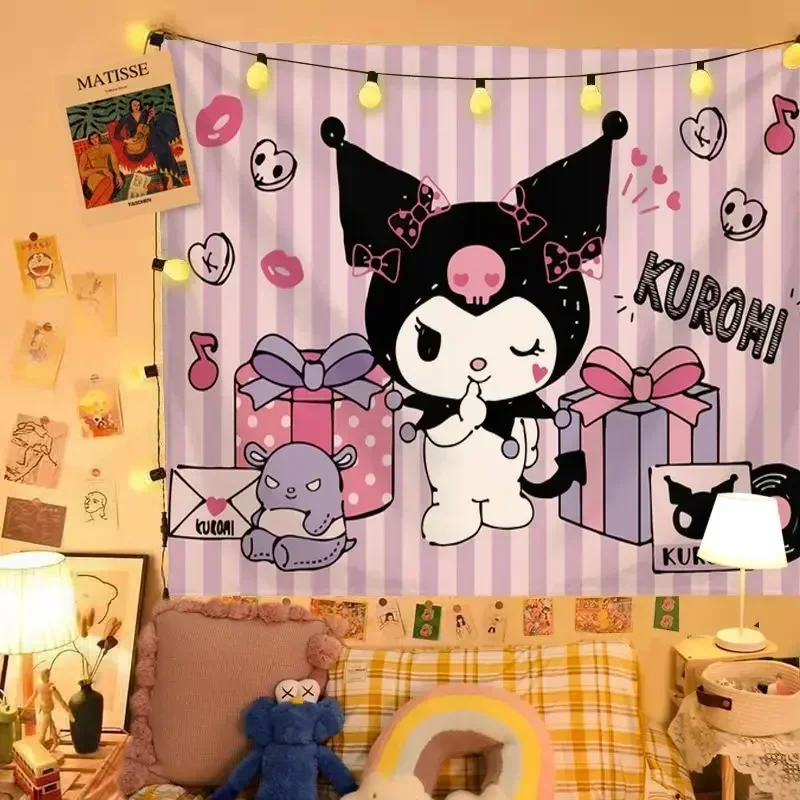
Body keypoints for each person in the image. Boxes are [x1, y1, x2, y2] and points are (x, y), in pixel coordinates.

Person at [115, 97, 182, 190]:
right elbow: (116, 134)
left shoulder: (144, 113)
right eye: (134, 105)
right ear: (130, 106)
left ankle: (169, 178)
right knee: (160, 144)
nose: (137, 107)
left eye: (138, 105)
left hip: (150, 138)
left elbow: (150, 126)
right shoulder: (126, 117)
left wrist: (151, 117)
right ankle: (170, 177)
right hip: (136, 147)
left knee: (160, 144)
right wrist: (127, 140)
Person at [22, 669, 73, 751]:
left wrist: (68, 710)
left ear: (48, 676)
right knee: (51, 724)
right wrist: (26, 706)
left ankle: (40, 746)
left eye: (44, 675)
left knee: (43, 729)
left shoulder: (50, 686)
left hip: (47, 710)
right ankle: (55, 741)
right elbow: (32, 697)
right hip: (43, 709)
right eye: (41, 675)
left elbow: (60, 700)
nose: (42, 677)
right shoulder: (39, 686)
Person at [78, 132, 123, 207]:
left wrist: (118, 175)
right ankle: (91, 205)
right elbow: (82, 174)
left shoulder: (108, 147)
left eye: (96, 137)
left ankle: (92, 206)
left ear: (99, 137)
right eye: (92, 139)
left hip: (107, 174)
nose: (95, 140)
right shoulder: (86, 153)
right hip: (93, 176)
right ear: (90, 141)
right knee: (108, 181)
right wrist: (101, 169)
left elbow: (114, 162)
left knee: (110, 181)